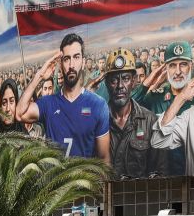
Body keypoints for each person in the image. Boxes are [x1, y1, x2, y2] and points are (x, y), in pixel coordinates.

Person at [15, 32, 111, 163]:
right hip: (55, 182)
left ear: (83, 62)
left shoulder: (98, 105)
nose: (71, 65)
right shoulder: (48, 103)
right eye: (66, 59)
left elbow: (104, 158)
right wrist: (39, 76)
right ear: (61, 64)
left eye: (76, 57)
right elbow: (20, 114)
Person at [104, 48, 168, 179]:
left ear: (133, 81)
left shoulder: (150, 121)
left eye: (126, 78)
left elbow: (160, 173)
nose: (120, 86)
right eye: (114, 80)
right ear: (107, 83)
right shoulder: (98, 121)